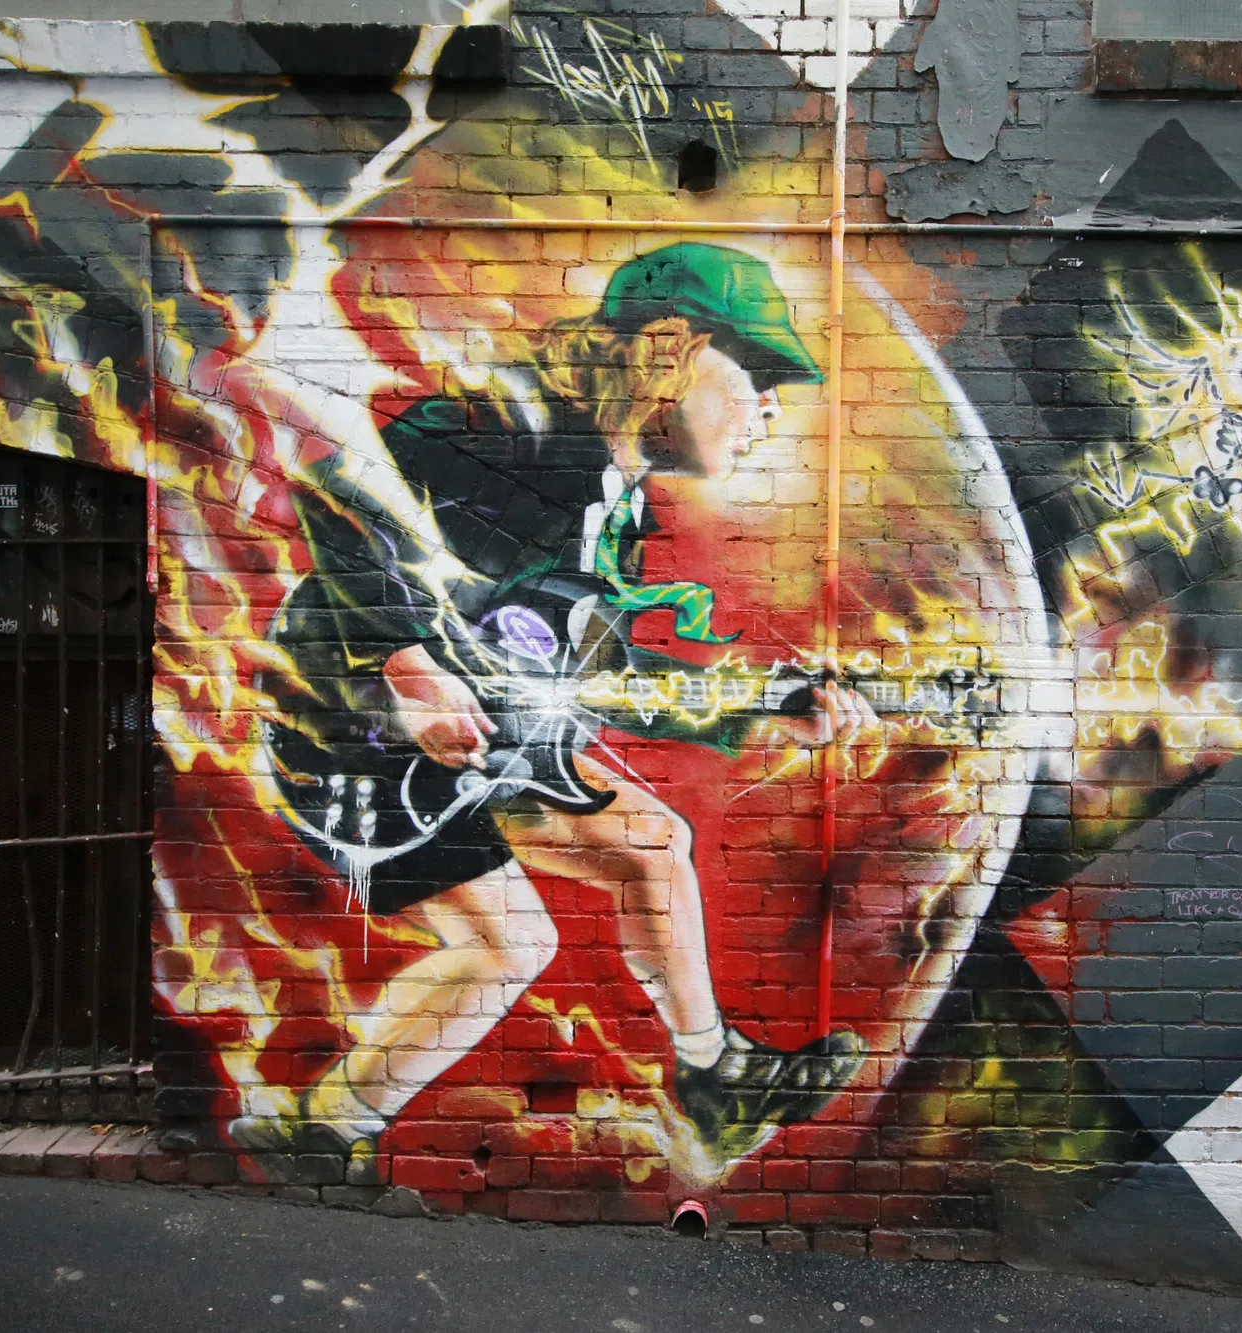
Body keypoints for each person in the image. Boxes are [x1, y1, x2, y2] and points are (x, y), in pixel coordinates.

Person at [237, 244, 873, 1175]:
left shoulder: (614, 502)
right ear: (669, 349)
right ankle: (322, 1134)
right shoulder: (515, 430)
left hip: (474, 735)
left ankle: (716, 1082)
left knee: (649, 848)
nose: (771, 408)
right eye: (757, 374)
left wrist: (761, 705)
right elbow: (340, 489)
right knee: (510, 946)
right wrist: (409, 669)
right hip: (350, 734)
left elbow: (593, 668)